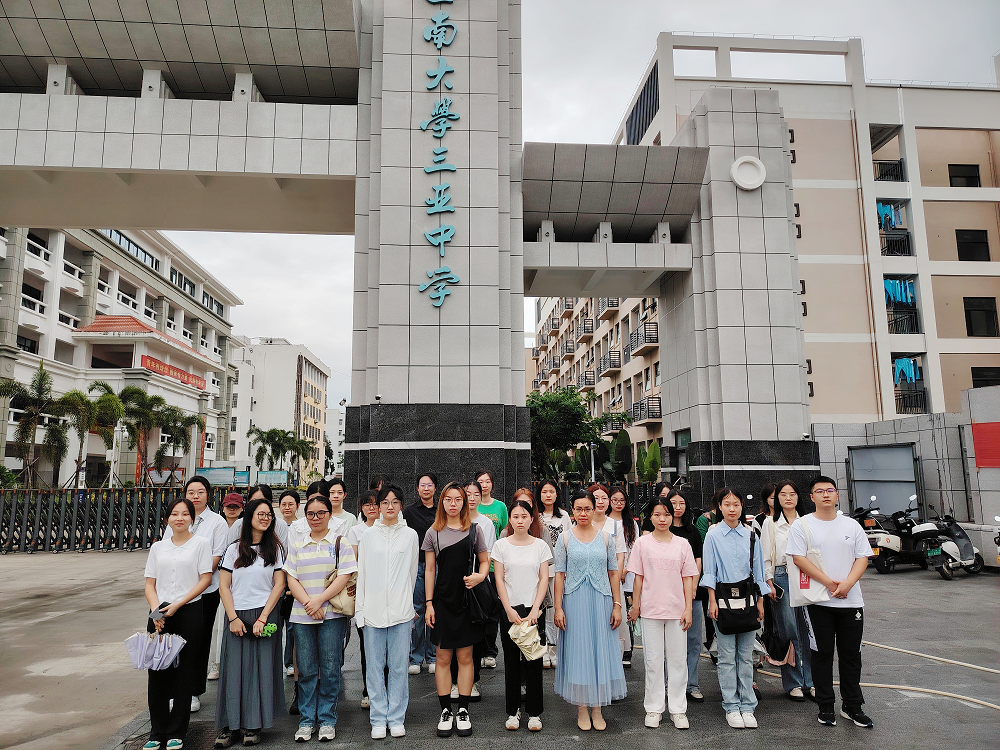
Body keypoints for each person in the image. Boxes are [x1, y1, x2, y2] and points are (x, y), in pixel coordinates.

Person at [786, 476, 874, 729]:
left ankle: (852, 706)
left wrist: (847, 584)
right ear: (811, 497)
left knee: (851, 655)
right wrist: (830, 584)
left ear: (837, 495)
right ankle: (825, 706)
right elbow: (799, 559)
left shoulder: (851, 525)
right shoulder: (802, 525)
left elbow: (862, 557)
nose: (825, 494)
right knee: (821, 654)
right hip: (818, 602)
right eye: (819, 491)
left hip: (851, 601)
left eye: (830, 490)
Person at [284, 493, 358, 742]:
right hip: (302, 616)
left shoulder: (340, 542)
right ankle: (306, 721)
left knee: (330, 668)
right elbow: (291, 578)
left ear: (329, 515)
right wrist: (309, 603)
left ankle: (327, 719)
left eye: (320, 513)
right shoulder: (297, 544)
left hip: (332, 615)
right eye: (311, 514)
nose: (315, 518)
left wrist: (319, 601)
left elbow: (344, 576)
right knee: (305, 670)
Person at [215, 498, 287, 747]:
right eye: (261, 514)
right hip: (237, 615)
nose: (265, 518)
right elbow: (224, 586)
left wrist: (264, 617)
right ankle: (229, 726)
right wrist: (233, 618)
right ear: (249, 517)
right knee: (233, 670)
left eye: (269, 515)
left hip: (264, 615)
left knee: (261, 670)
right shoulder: (233, 549)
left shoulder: (275, 550)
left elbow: (279, 584)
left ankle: (253, 726)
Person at [553, 489, 627, 731]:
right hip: (574, 602)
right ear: (572, 511)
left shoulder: (605, 538)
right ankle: (582, 707)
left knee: (599, 652)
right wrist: (558, 608)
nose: (583, 513)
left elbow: (613, 573)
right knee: (579, 652)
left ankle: (598, 707)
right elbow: (559, 575)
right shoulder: (564, 538)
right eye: (579, 509)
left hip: (601, 601)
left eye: (587, 508)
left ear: (594, 509)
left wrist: (617, 605)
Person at [143, 497, 213, 750]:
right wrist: (156, 612)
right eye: (174, 514)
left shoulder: (201, 544)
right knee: (157, 672)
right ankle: (156, 731)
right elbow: (150, 584)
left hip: (189, 610)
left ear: (192, 518)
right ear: (167, 519)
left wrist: (179, 604)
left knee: (185, 671)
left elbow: (205, 579)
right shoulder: (158, 548)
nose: (179, 518)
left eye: (185, 514)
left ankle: (177, 731)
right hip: (159, 613)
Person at [423, 482, 490, 738]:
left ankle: (462, 709)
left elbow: (485, 562)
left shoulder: (474, 530)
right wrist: (429, 603)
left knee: (465, 657)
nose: (453, 504)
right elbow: (430, 570)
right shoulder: (433, 532)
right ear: (442, 502)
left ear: (464, 502)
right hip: (442, 601)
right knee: (442, 658)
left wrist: (479, 576)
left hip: (466, 601)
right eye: (449, 499)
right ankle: (445, 711)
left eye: (458, 499)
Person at [627, 495, 698, 730]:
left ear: (672, 516)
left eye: (666, 514)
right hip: (651, 610)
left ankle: (678, 709)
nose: (662, 519)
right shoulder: (642, 543)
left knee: (678, 661)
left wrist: (688, 608)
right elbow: (638, 578)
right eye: (657, 514)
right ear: (650, 517)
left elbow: (688, 578)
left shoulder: (682, 544)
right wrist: (635, 606)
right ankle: (654, 708)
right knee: (653, 661)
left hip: (677, 611)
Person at [702, 488, 771, 729]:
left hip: (749, 600)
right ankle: (731, 706)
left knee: (746, 655)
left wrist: (761, 601)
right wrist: (712, 601)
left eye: (736, 504)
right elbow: (709, 571)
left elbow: (759, 571)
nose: (732, 509)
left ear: (742, 507)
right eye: (727, 504)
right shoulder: (712, 535)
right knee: (726, 657)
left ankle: (748, 706)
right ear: (719, 507)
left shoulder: (751, 535)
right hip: (722, 601)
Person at [355, 484, 419, 739]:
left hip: (401, 613)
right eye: (385, 502)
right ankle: (378, 718)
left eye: (395, 502)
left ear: (401, 505)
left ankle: (396, 717)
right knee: (374, 667)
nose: (390, 506)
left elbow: (412, 574)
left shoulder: (410, 535)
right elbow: (362, 574)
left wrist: (407, 604)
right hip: (373, 612)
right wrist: (361, 611)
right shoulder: (368, 536)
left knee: (399, 667)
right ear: (378, 506)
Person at [161, 476, 229, 714]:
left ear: (208, 495)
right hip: (174, 593)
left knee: (198, 642)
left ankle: (193, 691)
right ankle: (172, 690)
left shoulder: (217, 523)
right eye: (191, 492)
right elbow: (165, 552)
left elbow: (216, 558)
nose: (196, 496)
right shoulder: (178, 519)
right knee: (173, 640)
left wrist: (194, 581)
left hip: (205, 592)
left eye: (200, 492)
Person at [493, 496, 550, 732]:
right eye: (515, 516)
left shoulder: (540, 546)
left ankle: (534, 713)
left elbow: (543, 578)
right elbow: (499, 578)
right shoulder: (501, 545)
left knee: (534, 661)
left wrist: (536, 608)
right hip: (510, 609)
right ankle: (513, 711)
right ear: (509, 519)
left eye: (524, 516)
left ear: (531, 519)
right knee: (511, 662)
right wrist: (507, 608)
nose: (519, 520)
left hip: (533, 609)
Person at [760, 480, 815, 702]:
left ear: (798, 497)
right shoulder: (770, 523)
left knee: (809, 630)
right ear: (777, 499)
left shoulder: (807, 522)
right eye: (783, 494)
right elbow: (765, 555)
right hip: (782, 576)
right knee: (788, 629)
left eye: (792, 494)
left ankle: (811, 681)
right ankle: (794, 682)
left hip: (806, 575)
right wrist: (769, 582)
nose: (788, 498)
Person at [448, 478, 497, 701]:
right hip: (453, 585)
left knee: (474, 634)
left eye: (476, 494)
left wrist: (481, 576)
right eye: (467, 494)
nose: (472, 498)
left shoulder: (485, 524)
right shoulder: (450, 522)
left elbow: (487, 555)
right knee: (454, 635)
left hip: (476, 584)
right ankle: (454, 681)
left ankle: (473, 680)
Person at [403, 473, 438, 675]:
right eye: (422, 485)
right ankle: (415, 657)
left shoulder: (441, 511)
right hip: (416, 565)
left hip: (437, 566)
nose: (426, 488)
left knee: (434, 609)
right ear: (417, 488)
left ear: (435, 488)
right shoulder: (409, 512)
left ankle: (433, 656)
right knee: (417, 611)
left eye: (430, 485)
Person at [209, 493, 246, 682]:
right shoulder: (216, 525)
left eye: (235, 506)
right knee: (217, 625)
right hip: (216, 581)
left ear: (242, 508)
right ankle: (215, 663)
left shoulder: (245, 527)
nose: (232, 510)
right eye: (229, 506)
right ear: (222, 507)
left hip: (239, 582)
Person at [348, 491, 380, 709]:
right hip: (365, 594)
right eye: (367, 504)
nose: (371, 508)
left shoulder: (389, 529)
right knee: (367, 646)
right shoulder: (356, 531)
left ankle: (384, 688)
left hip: (386, 593)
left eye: (375, 504)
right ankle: (368, 690)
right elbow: (354, 563)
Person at [535, 479, 571, 668]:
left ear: (557, 494)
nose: (548, 495)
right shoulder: (535, 515)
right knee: (543, 612)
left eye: (551, 491)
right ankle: (543, 651)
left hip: (559, 570)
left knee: (557, 610)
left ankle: (555, 651)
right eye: (544, 491)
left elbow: (570, 541)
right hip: (540, 571)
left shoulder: (563, 516)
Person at [474, 470, 506, 669]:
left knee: (492, 610)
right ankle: (477, 650)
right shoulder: (470, 507)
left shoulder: (500, 507)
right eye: (480, 482)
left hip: (493, 565)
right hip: (474, 567)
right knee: (477, 610)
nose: (484, 485)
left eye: (487, 481)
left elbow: (504, 533)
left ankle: (490, 651)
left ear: (492, 484)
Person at [608, 486, 638, 667]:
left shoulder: (631, 523)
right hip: (610, 574)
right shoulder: (605, 521)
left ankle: (627, 650)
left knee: (627, 614)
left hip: (628, 575)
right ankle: (614, 650)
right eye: (615, 500)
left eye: (622, 500)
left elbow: (634, 549)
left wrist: (625, 570)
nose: (618, 504)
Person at [277, 490, 302, 689]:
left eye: (290, 504)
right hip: (277, 578)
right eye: (283, 504)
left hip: (294, 578)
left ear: (297, 506)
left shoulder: (301, 526)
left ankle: (290, 662)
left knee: (292, 624)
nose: (287, 507)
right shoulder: (274, 526)